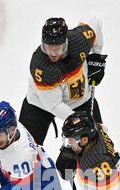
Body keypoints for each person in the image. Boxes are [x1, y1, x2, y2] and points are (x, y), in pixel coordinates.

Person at [19, 16, 107, 145]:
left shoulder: (79, 40)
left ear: (66, 43)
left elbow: (95, 22)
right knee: (28, 148)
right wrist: (80, 122)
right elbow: (53, 105)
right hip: (39, 106)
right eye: (48, 48)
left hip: (80, 101)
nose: (53, 53)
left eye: (58, 48)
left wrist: (96, 56)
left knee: (95, 145)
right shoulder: (41, 66)